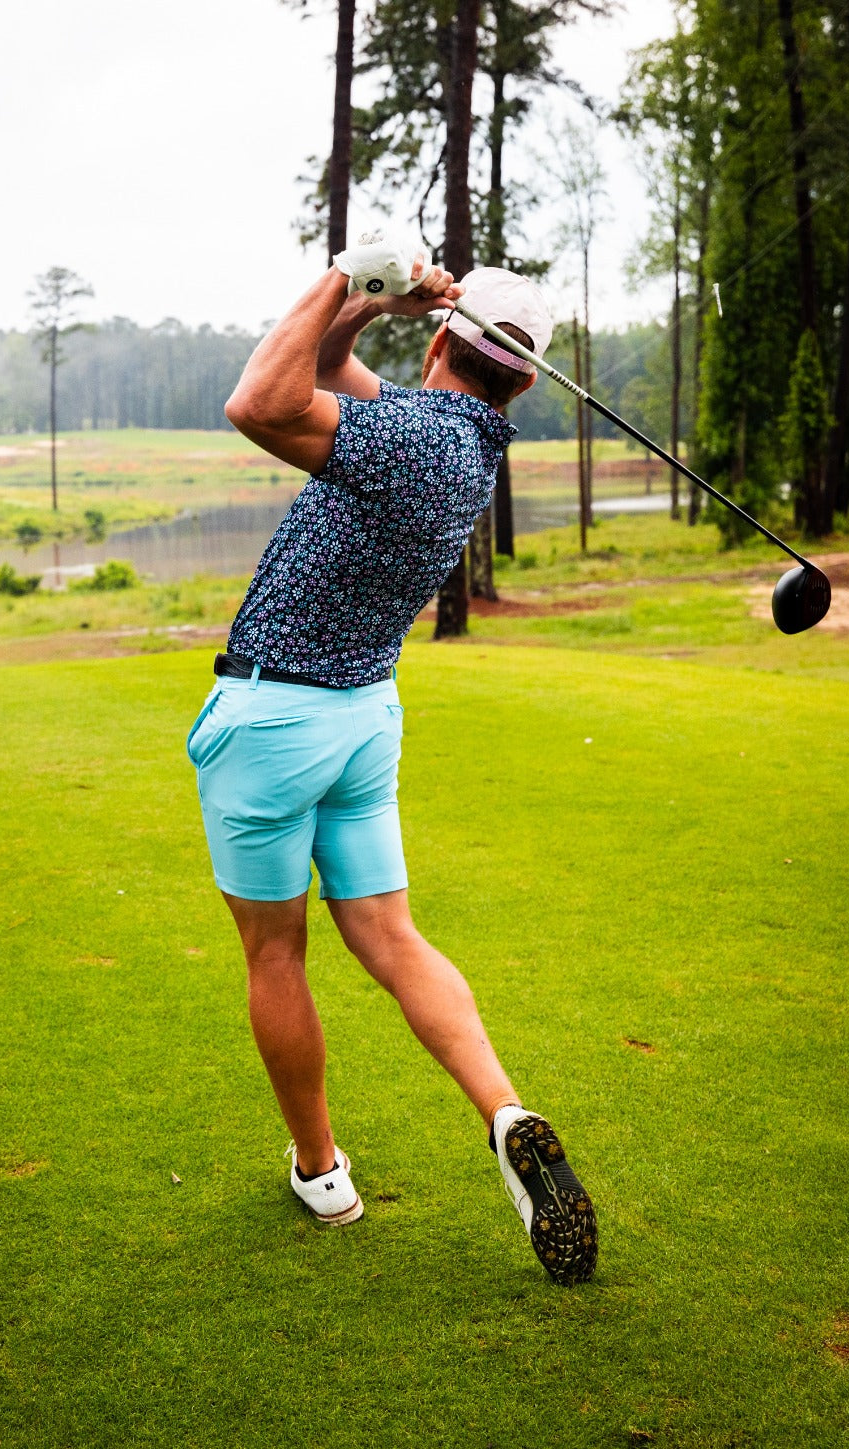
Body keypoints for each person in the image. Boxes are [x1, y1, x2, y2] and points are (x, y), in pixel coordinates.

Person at [186, 230, 597, 1285]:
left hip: (275, 719)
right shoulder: (460, 442)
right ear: (520, 379)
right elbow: (326, 370)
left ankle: (320, 1170)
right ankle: (506, 1112)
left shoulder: (409, 435)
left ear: (444, 345)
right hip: (362, 720)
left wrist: (345, 273)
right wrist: (373, 307)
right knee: (392, 937)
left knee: (276, 955)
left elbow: (257, 402)